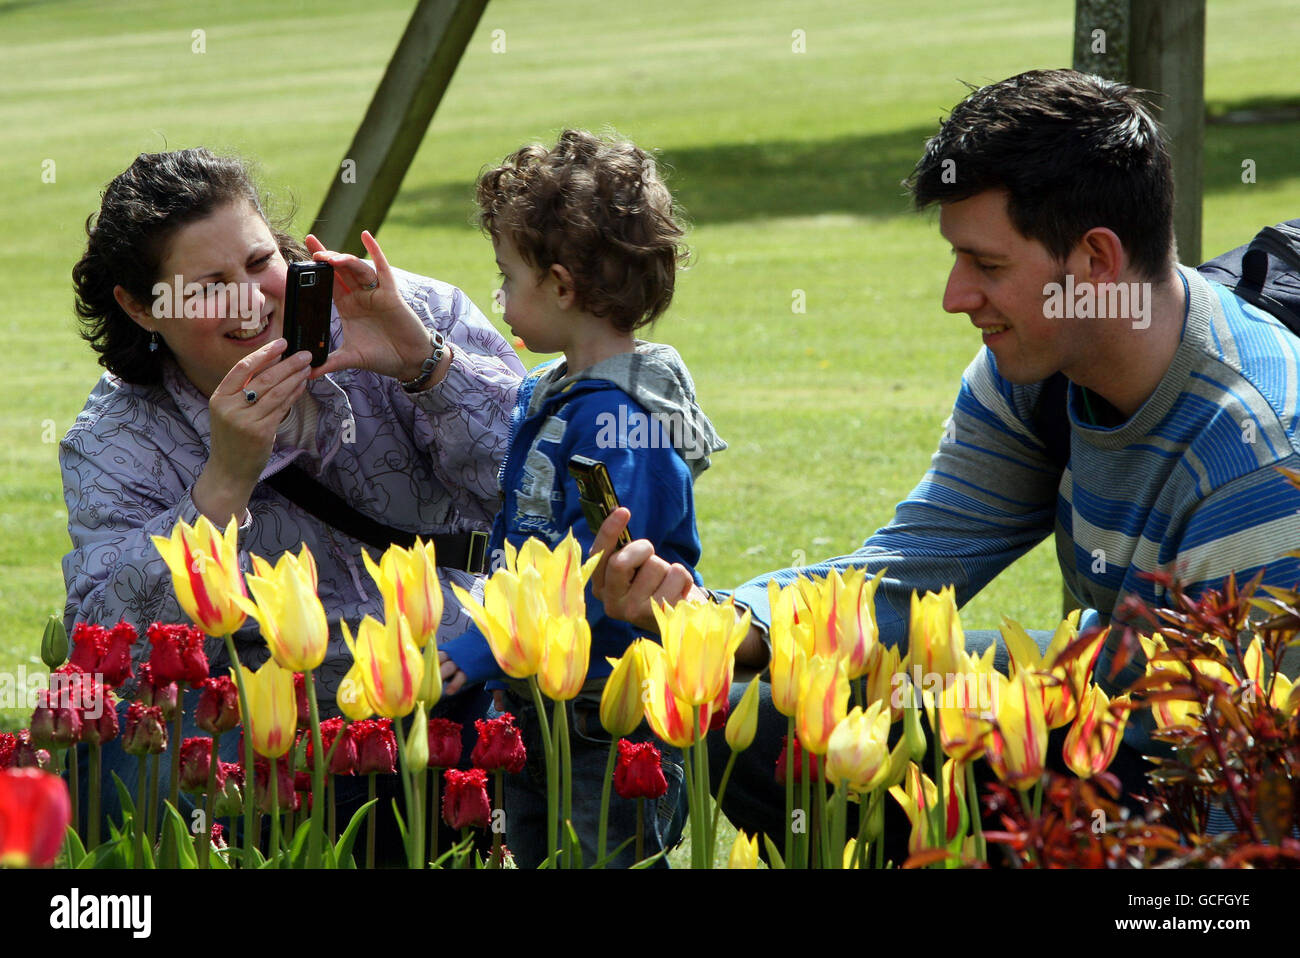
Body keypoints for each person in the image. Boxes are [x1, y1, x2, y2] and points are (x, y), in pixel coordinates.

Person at [587, 69, 1300, 848]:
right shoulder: (1036, 369)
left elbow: (1252, 800)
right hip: (1100, 707)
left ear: (1096, 261)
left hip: (1185, 779)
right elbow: (914, 565)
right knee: (769, 713)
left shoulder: (1254, 459)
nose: (955, 296)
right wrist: (721, 623)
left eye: (987, 265)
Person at [63, 147, 525, 838]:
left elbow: (531, 495)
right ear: (140, 307)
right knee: (112, 750)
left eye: (259, 264)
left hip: (459, 676)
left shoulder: (404, 310)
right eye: (209, 285)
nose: (251, 301)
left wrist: (427, 369)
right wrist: (223, 484)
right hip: (278, 718)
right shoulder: (116, 437)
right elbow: (110, 653)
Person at [435, 130, 726, 867]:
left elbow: (597, 569)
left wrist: (483, 645)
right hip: (542, 698)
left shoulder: (622, 421)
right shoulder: (561, 391)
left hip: (606, 710)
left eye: (506, 277)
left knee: (600, 855)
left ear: (561, 287)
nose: (498, 296)